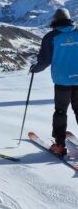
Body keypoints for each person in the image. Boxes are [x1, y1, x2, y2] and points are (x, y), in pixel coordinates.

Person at [30, 8, 78, 156]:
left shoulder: (51, 37)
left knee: (60, 111)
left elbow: (44, 61)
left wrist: (34, 69)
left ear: (55, 21)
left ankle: (59, 145)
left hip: (62, 81)